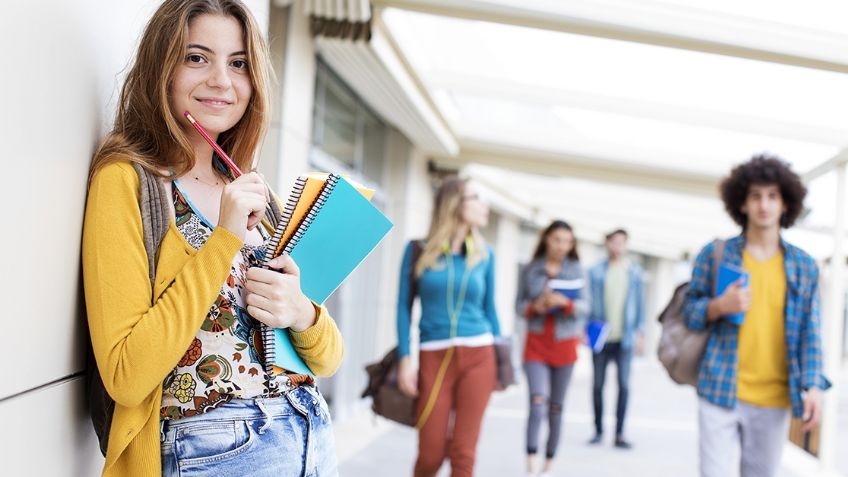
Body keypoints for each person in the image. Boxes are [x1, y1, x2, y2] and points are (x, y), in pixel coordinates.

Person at [82, 1, 343, 476]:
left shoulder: (251, 187)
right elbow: (126, 373)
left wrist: (301, 311)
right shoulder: (129, 181)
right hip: (216, 449)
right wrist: (222, 240)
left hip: (309, 434)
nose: (222, 80)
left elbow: (327, 359)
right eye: (197, 57)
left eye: (238, 63)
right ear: (162, 67)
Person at [683, 155, 830, 477]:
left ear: (786, 204)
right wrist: (719, 306)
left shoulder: (803, 266)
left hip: (774, 399)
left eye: (772, 196)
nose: (764, 204)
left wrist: (814, 386)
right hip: (720, 389)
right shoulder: (717, 254)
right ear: (742, 203)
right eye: (756, 195)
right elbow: (689, 314)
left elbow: (810, 332)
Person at [396, 176, 502, 477]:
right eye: (475, 197)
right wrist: (406, 359)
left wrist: (504, 360)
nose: (484, 205)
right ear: (454, 203)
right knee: (430, 454)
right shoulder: (417, 249)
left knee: (463, 454)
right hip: (434, 356)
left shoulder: (485, 254)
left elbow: (490, 309)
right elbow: (403, 307)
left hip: (480, 355)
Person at [516, 220, 589, 477]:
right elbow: (519, 306)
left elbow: (585, 308)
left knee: (556, 407)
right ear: (547, 239)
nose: (562, 246)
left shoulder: (578, 270)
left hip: (564, 347)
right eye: (557, 239)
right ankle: (531, 458)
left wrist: (565, 304)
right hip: (536, 345)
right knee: (537, 402)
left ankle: (549, 461)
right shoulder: (531, 269)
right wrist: (534, 307)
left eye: (567, 241)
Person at [587, 228, 645, 449]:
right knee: (598, 385)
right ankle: (598, 430)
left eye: (622, 242)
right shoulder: (596, 271)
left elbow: (639, 304)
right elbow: (590, 301)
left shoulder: (634, 272)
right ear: (607, 243)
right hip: (600, 337)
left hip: (625, 339)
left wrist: (640, 332)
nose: (618, 247)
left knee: (624, 385)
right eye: (614, 242)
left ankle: (619, 433)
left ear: (626, 245)